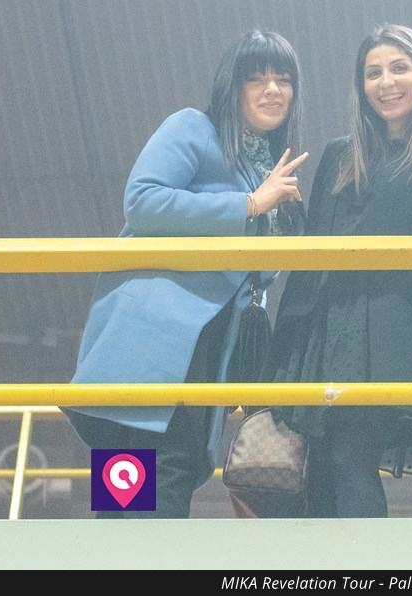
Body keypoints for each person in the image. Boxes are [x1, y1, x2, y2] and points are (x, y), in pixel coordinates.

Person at [67, 30, 309, 518]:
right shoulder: (194, 128)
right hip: (153, 342)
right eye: (256, 78)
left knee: (164, 477)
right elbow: (143, 200)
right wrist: (249, 204)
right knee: (141, 480)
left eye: (284, 79)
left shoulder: (267, 168)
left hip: (207, 345)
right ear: (231, 87)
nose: (272, 89)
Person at [270, 24, 412, 518]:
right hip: (332, 330)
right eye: (373, 73)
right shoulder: (342, 153)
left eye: (399, 68)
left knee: (348, 457)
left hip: (394, 333)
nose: (386, 82)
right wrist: (286, 350)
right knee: (324, 470)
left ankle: (366, 558)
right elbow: (314, 256)